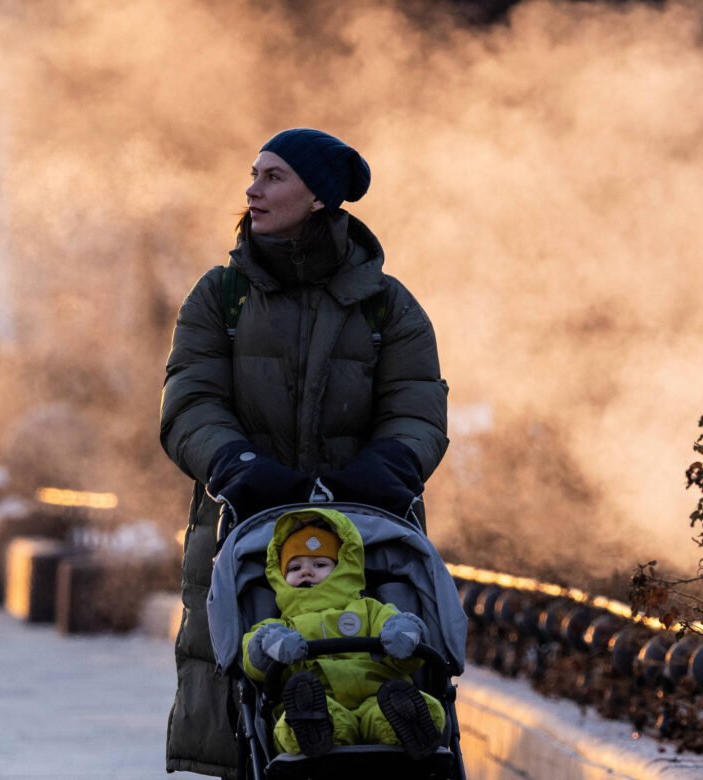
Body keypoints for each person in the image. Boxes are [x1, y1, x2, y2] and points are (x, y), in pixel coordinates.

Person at [159, 128, 448, 777]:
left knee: (376, 668)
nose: (252, 190)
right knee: (249, 702)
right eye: (253, 174)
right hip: (245, 524)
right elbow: (190, 400)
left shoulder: (387, 307)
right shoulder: (221, 296)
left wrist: (389, 466)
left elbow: (416, 408)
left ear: (318, 197)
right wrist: (234, 464)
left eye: (273, 177)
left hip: (366, 530)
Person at [242, 507, 445, 759]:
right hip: (319, 699)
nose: (306, 571)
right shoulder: (283, 625)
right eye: (294, 568)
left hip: (379, 695)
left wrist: (404, 633)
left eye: (319, 564)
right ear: (280, 577)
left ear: (342, 569)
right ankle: (314, 725)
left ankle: (402, 721)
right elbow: (252, 656)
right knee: (296, 717)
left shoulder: (369, 610)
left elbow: (401, 634)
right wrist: (267, 645)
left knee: (408, 706)